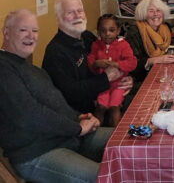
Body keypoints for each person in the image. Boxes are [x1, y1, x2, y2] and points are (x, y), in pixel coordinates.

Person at [0, 9, 112, 183]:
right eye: (23, 30)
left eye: (35, 31)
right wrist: (77, 128)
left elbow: (55, 103)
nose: (31, 36)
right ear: (6, 32)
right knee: (107, 178)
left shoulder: (33, 69)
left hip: (67, 138)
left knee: (129, 140)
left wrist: (79, 117)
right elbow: (30, 114)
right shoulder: (4, 68)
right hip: (38, 153)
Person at [42, 0, 133, 114]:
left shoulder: (87, 37)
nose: (77, 16)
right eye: (70, 12)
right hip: (81, 117)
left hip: (106, 96)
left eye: (80, 11)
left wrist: (126, 79)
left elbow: (114, 59)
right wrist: (106, 78)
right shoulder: (55, 52)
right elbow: (70, 93)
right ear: (59, 18)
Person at [87, 14, 137, 127]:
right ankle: (96, 132)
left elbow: (132, 63)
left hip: (118, 84)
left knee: (115, 107)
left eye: (111, 30)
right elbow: (90, 61)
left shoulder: (123, 45)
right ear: (98, 32)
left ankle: (115, 134)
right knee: (101, 107)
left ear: (118, 30)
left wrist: (117, 64)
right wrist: (96, 64)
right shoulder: (96, 45)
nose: (107, 34)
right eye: (103, 31)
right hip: (102, 84)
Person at [125, 0, 174, 84]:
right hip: (140, 79)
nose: (156, 14)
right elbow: (132, 64)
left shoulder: (165, 28)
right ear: (143, 14)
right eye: (151, 11)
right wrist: (154, 60)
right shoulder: (134, 32)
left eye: (158, 10)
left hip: (161, 72)